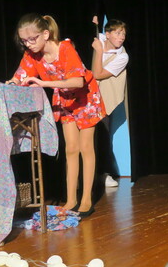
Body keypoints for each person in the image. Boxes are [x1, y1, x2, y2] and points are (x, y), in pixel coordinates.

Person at [7, 13, 105, 218]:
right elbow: (20, 75)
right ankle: (71, 199)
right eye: (24, 41)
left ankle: (86, 199)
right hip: (65, 100)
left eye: (32, 39)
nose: (28, 44)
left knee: (86, 147)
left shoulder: (65, 49)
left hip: (85, 98)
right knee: (71, 148)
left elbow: (78, 81)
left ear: (45, 34)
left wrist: (44, 83)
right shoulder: (32, 55)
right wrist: (13, 83)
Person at [90, 18, 129, 188]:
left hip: (103, 100)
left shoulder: (122, 56)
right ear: (107, 34)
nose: (122, 37)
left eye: (123, 34)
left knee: (103, 135)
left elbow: (97, 74)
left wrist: (99, 51)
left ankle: (104, 173)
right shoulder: (97, 38)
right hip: (85, 97)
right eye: (118, 33)